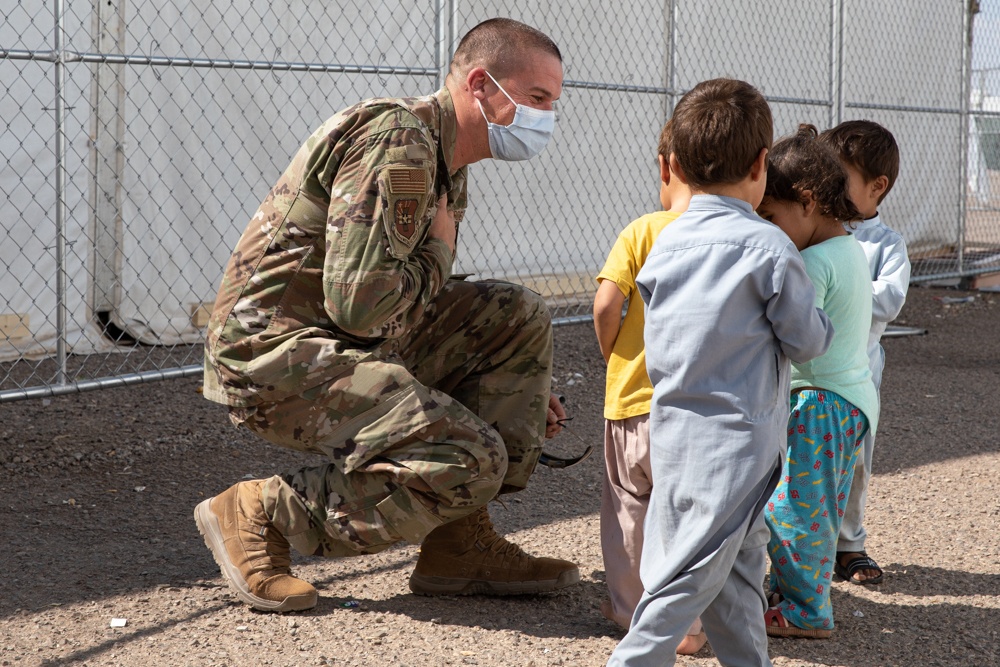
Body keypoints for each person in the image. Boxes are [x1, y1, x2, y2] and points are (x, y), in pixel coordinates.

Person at [193, 18, 580, 614]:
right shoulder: (400, 143)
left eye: (553, 102)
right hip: (271, 354)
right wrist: (441, 253)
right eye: (536, 99)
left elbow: (388, 303)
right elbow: (362, 305)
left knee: (513, 317)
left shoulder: (445, 155)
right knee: (468, 457)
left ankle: (458, 545)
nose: (547, 117)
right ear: (481, 83)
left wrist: (513, 383)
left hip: (331, 335)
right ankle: (262, 513)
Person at [607, 79, 834, 667]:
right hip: (739, 447)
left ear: (675, 165)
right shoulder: (769, 248)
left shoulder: (666, 243)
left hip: (677, 434)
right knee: (682, 584)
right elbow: (806, 341)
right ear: (762, 164)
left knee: (737, 577)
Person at [756, 124, 877, 638]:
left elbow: (798, 337)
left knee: (793, 513)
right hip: (849, 401)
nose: (766, 227)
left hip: (820, 405)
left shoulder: (808, 262)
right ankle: (796, 591)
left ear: (806, 202)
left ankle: (807, 611)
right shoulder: (849, 249)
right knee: (812, 506)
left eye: (770, 216)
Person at [593, 120, 706, 655]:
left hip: (632, 401)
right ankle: (691, 624)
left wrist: (612, 350)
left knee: (628, 509)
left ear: (667, 168)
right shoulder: (729, 235)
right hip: (695, 409)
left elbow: (605, 305)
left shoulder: (642, 231)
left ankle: (629, 611)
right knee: (689, 515)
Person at [819, 120, 908, 586]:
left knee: (855, 459)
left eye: (842, 176)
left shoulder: (886, 245)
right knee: (803, 458)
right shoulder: (819, 230)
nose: (830, 185)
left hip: (858, 374)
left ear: (877, 186)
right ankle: (799, 542)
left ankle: (848, 543)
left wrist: (844, 290)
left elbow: (889, 300)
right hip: (809, 371)